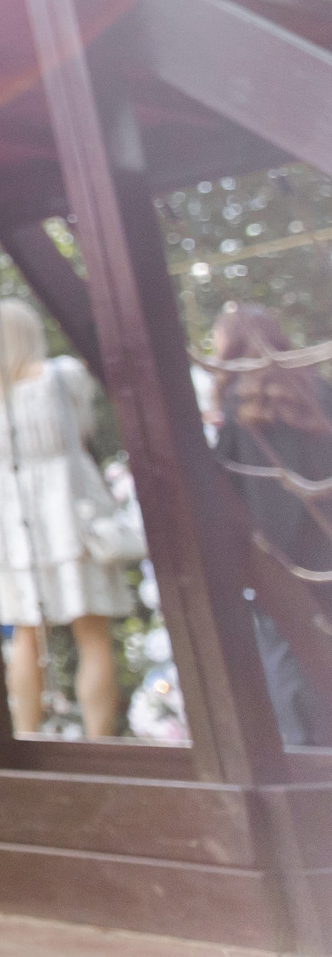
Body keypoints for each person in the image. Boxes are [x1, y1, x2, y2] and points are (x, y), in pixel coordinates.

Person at [0, 300, 135, 737]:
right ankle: (101, 744)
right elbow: (83, 432)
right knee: (92, 633)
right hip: (69, 509)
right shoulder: (62, 376)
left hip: (11, 514)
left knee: (25, 633)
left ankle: (24, 736)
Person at [211, 303, 332, 747]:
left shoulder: (240, 403)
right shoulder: (317, 390)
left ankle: (307, 751)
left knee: (288, 650)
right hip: (324, 543)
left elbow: (222, 481)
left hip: (278, 550)